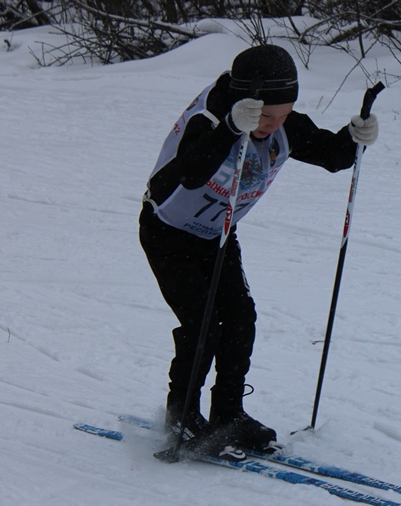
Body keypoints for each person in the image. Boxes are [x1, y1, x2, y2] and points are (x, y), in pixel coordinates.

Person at [139, 43, 378, 455]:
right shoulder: (210, 117)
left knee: (240, 318)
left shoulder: (281, 123)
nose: (274, 124)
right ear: (244, 100)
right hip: (169, 233)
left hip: (217, 234)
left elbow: (332, 156)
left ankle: (228, 414)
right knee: (202, 325)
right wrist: (231, 129)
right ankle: (182, 417)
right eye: (267, 116)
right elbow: (190, 174)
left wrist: (356, 137)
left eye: (283, 115)